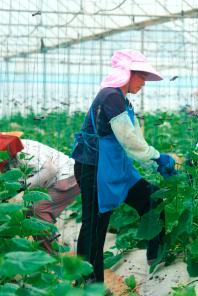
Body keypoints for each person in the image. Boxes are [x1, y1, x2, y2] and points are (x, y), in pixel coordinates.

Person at [71, 49, 175, 283]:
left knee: (151, 198)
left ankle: (154, 255)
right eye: (142, 77)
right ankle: (88, 284)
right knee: (95, 225)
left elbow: (134, 138)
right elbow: (129, 139)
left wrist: (153, 159)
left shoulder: (122, 99)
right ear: (128, 73)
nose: (144, 83)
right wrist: (158, 157)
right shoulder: (110, 96)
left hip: (116, 166)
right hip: (94, 167)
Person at [0, 131, 80, 252]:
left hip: (69, 176)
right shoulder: (8, 159)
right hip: (56, 179)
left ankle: (50, 254)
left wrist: (21, 187)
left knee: (37, 211)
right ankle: (51, 246)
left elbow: (50, 170)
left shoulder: (22, 152)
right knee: (37, 213)